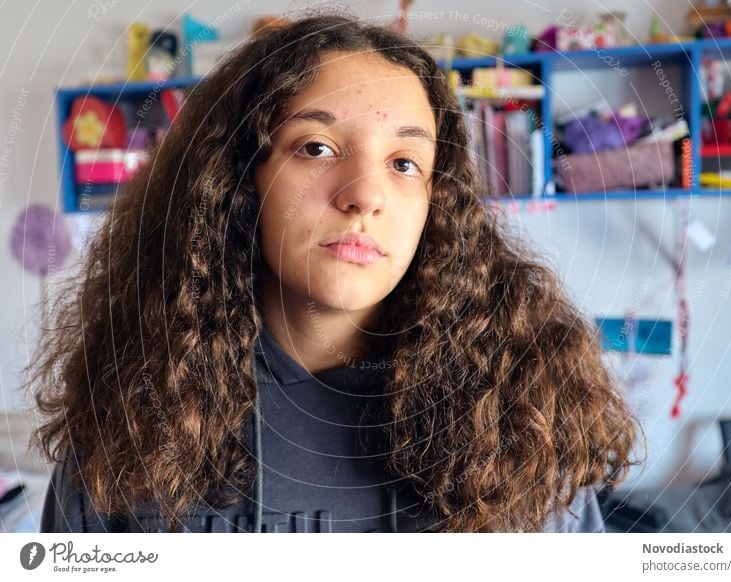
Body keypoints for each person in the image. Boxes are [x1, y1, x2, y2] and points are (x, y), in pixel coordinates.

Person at [30, 10, 641, 533]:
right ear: (240, 182)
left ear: (436, 203)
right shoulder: (129, 424)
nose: (363, 195)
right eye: (316, 147)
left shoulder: (525, 422)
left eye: (405, 162)